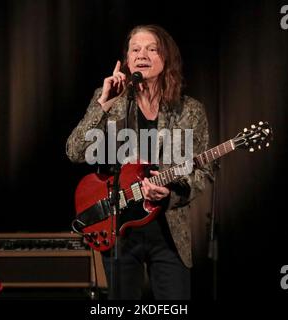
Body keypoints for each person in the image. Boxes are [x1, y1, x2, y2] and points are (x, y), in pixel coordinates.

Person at [66, 24, 212, 300]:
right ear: (127, 59)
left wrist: (170, 193)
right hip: (118, 229)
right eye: (135, 49)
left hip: (169, 233)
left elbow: (201, 173)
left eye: (151, 49)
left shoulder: (190, 110)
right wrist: (103, 103)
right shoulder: (114, 102)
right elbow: (75, 151)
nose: (142, 54)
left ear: (166, 57)